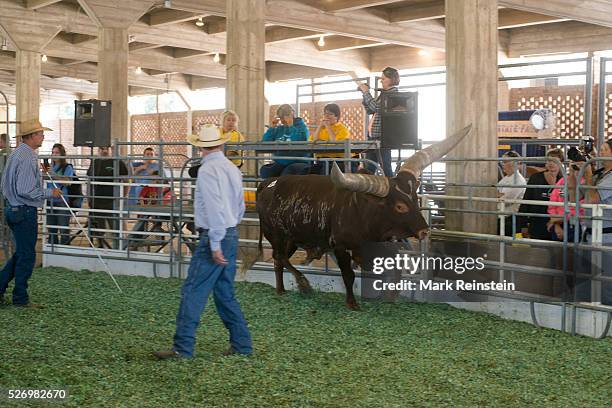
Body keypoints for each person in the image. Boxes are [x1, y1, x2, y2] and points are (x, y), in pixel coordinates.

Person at [153, 125, 252, 359]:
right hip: (230, 231)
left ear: (199, 147)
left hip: (214, 236)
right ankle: (242, 345)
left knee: (193, 290)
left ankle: (182, 348)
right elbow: (240, 206)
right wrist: (227, 232)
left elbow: (215, 207)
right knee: (224, 292)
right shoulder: (231, 168)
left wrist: (215, 243)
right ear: (222, 143)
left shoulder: (208, 171)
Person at [0, 119, 61, 308]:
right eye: (41, 133)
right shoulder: (27, 157)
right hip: (24, 210)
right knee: (27, 256)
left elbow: (8, 185)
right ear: (32, 135)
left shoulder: (18, 153)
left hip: (14, 208)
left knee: (21, 254)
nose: (43, 136)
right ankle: (20, 298)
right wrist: (50, 192)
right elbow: (26, 189)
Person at [570, 139, 612, 305]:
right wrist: (573, 174)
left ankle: (607, 324)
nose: (600, 153)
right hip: (588, 235)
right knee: (585, 281)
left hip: (607, 238)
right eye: (601, 149)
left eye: (605, 150)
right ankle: (585, 320)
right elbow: (574, 199)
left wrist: (587, 175)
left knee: (606, 284)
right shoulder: (599, 174)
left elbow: (593, 199)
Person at [358, 66, 400, 176]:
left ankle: (391, 189)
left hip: (383, 138)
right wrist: (364, 94)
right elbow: (370, 110)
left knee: (385, 167)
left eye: (384, 78)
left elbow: (375, 108)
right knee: (370, 167)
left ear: (392, 79)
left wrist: (366, 92)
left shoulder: (392, 95)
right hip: (374, 137)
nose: (381, 81)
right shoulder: (384, 94)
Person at [86, 146, 129, 249]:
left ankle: (120, 249)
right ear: (98, 150)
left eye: (107, 148)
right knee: (99, 229)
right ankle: (101, 247)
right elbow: (89, 181)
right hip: (97, 201)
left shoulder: (118, 162)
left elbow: (127, 181)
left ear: (111, 149)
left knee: (116, 228)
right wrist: (89, 197)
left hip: (112, 201)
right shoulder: (95, 162)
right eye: (102, 148)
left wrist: (123, 196)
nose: (104, 151)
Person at [518, 148, 564, 240]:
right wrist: (523, 224)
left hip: (557, 224)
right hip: (537, 221)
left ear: (561, 163)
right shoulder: (535, 178)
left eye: (554, 161)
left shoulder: (564, 180)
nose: (551, 163)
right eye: (549, 160)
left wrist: (556, 222)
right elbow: (526, 201)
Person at [259, 104, 310, 178]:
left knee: (287, 174)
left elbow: (297, 141)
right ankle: (273, 188)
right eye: (281, 118)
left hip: (297, 161)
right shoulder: (280, 129)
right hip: (280, 162)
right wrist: (272, 128)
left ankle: (281, 188)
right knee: (265, 171)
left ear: (291, 115)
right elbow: (265, 143)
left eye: (285, 117)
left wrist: (291, 126)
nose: (283, 120)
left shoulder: (302, 128)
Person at [188, 111, 245, 178]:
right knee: (193, 171)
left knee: (198, 172)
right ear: (223, 121)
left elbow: (233, 153)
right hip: (216, 161)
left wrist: (216, 160)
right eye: (228, 120)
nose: (231, 122)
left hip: (232, 163)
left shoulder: (237, 135)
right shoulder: (217, 131)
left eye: (234, 120)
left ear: (236, 123)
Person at [309, 103, 357, 175]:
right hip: (322, 160)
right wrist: (319, 127)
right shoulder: (322, 129)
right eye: (325, 114)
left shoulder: (342, 129)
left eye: (330, 114)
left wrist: (328, 127)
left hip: (339, 160)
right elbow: (312, 141)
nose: (326, 116)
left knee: (326, 170)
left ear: (336, 116)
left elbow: (335, 143)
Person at [45, 143, 75, 245]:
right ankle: (52, 253)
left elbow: (68, 182)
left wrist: (55, 175)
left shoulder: (67, 167)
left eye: (57, 152)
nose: (54, 155)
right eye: (53, 152)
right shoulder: (50, 167)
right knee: (52, 231)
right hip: (50, 201)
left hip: (62, 202)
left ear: (62, 154)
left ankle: (65, 252)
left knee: (63, 230)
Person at [497, 151, 526, 236]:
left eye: (505, 162)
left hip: (509, 218)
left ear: (514, 163)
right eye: (502, 162)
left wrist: (497, 195)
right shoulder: (506, 178)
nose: (502, 164)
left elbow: (505, 200)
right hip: (501, 216)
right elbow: (496, 194)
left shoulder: (518, 180)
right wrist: (497, 195)